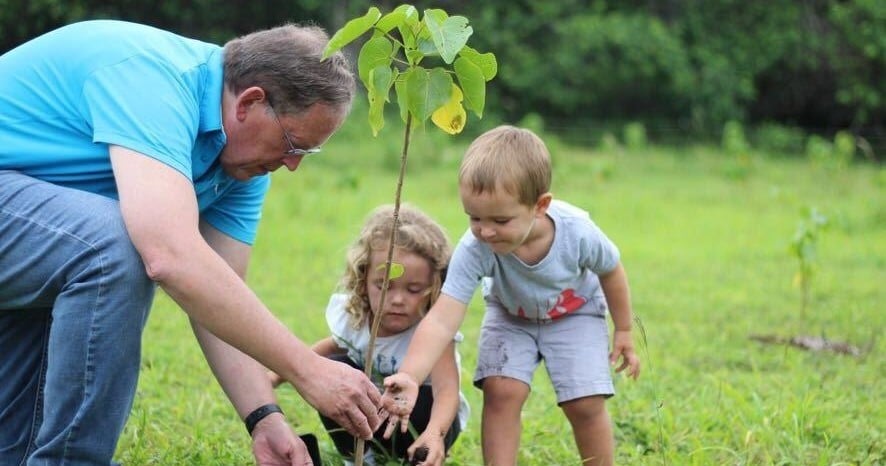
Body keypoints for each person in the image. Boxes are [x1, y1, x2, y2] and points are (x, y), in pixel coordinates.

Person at [0, 20, 383, 466]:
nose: (293, 165)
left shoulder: (241, 164)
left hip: (29, 236)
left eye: (306, 154)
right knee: (114, 246)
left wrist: (265, 418)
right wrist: (309, 369)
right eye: (293, 144)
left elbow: (218, 296)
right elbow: (169, 256)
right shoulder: (154, 82)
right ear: (251, 102)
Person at [382, 126, 641, 466]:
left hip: (574, 313)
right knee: (501, 392)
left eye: (500, 220)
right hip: (510, 316)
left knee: (585, 401)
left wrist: (622, 329)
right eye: (474, 217)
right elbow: (443, 318)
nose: (485, 231)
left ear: (540, 205)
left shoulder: (577, 232)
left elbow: (611, 269)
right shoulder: (476, 247)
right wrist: (411, 375)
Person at [269, 204, 469, 466]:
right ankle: (360, 458)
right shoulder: (358, 318)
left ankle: (420, 457)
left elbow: (446, 392)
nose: (397, 299)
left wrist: (435, 433)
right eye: (383, 286)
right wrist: (275, 376)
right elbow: (328, 350)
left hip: (423, 420)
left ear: (434, 286)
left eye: (414, 289)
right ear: (363, 279)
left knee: (426, 402)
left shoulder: (432, 331)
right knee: (332, 372)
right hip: (374, 417)